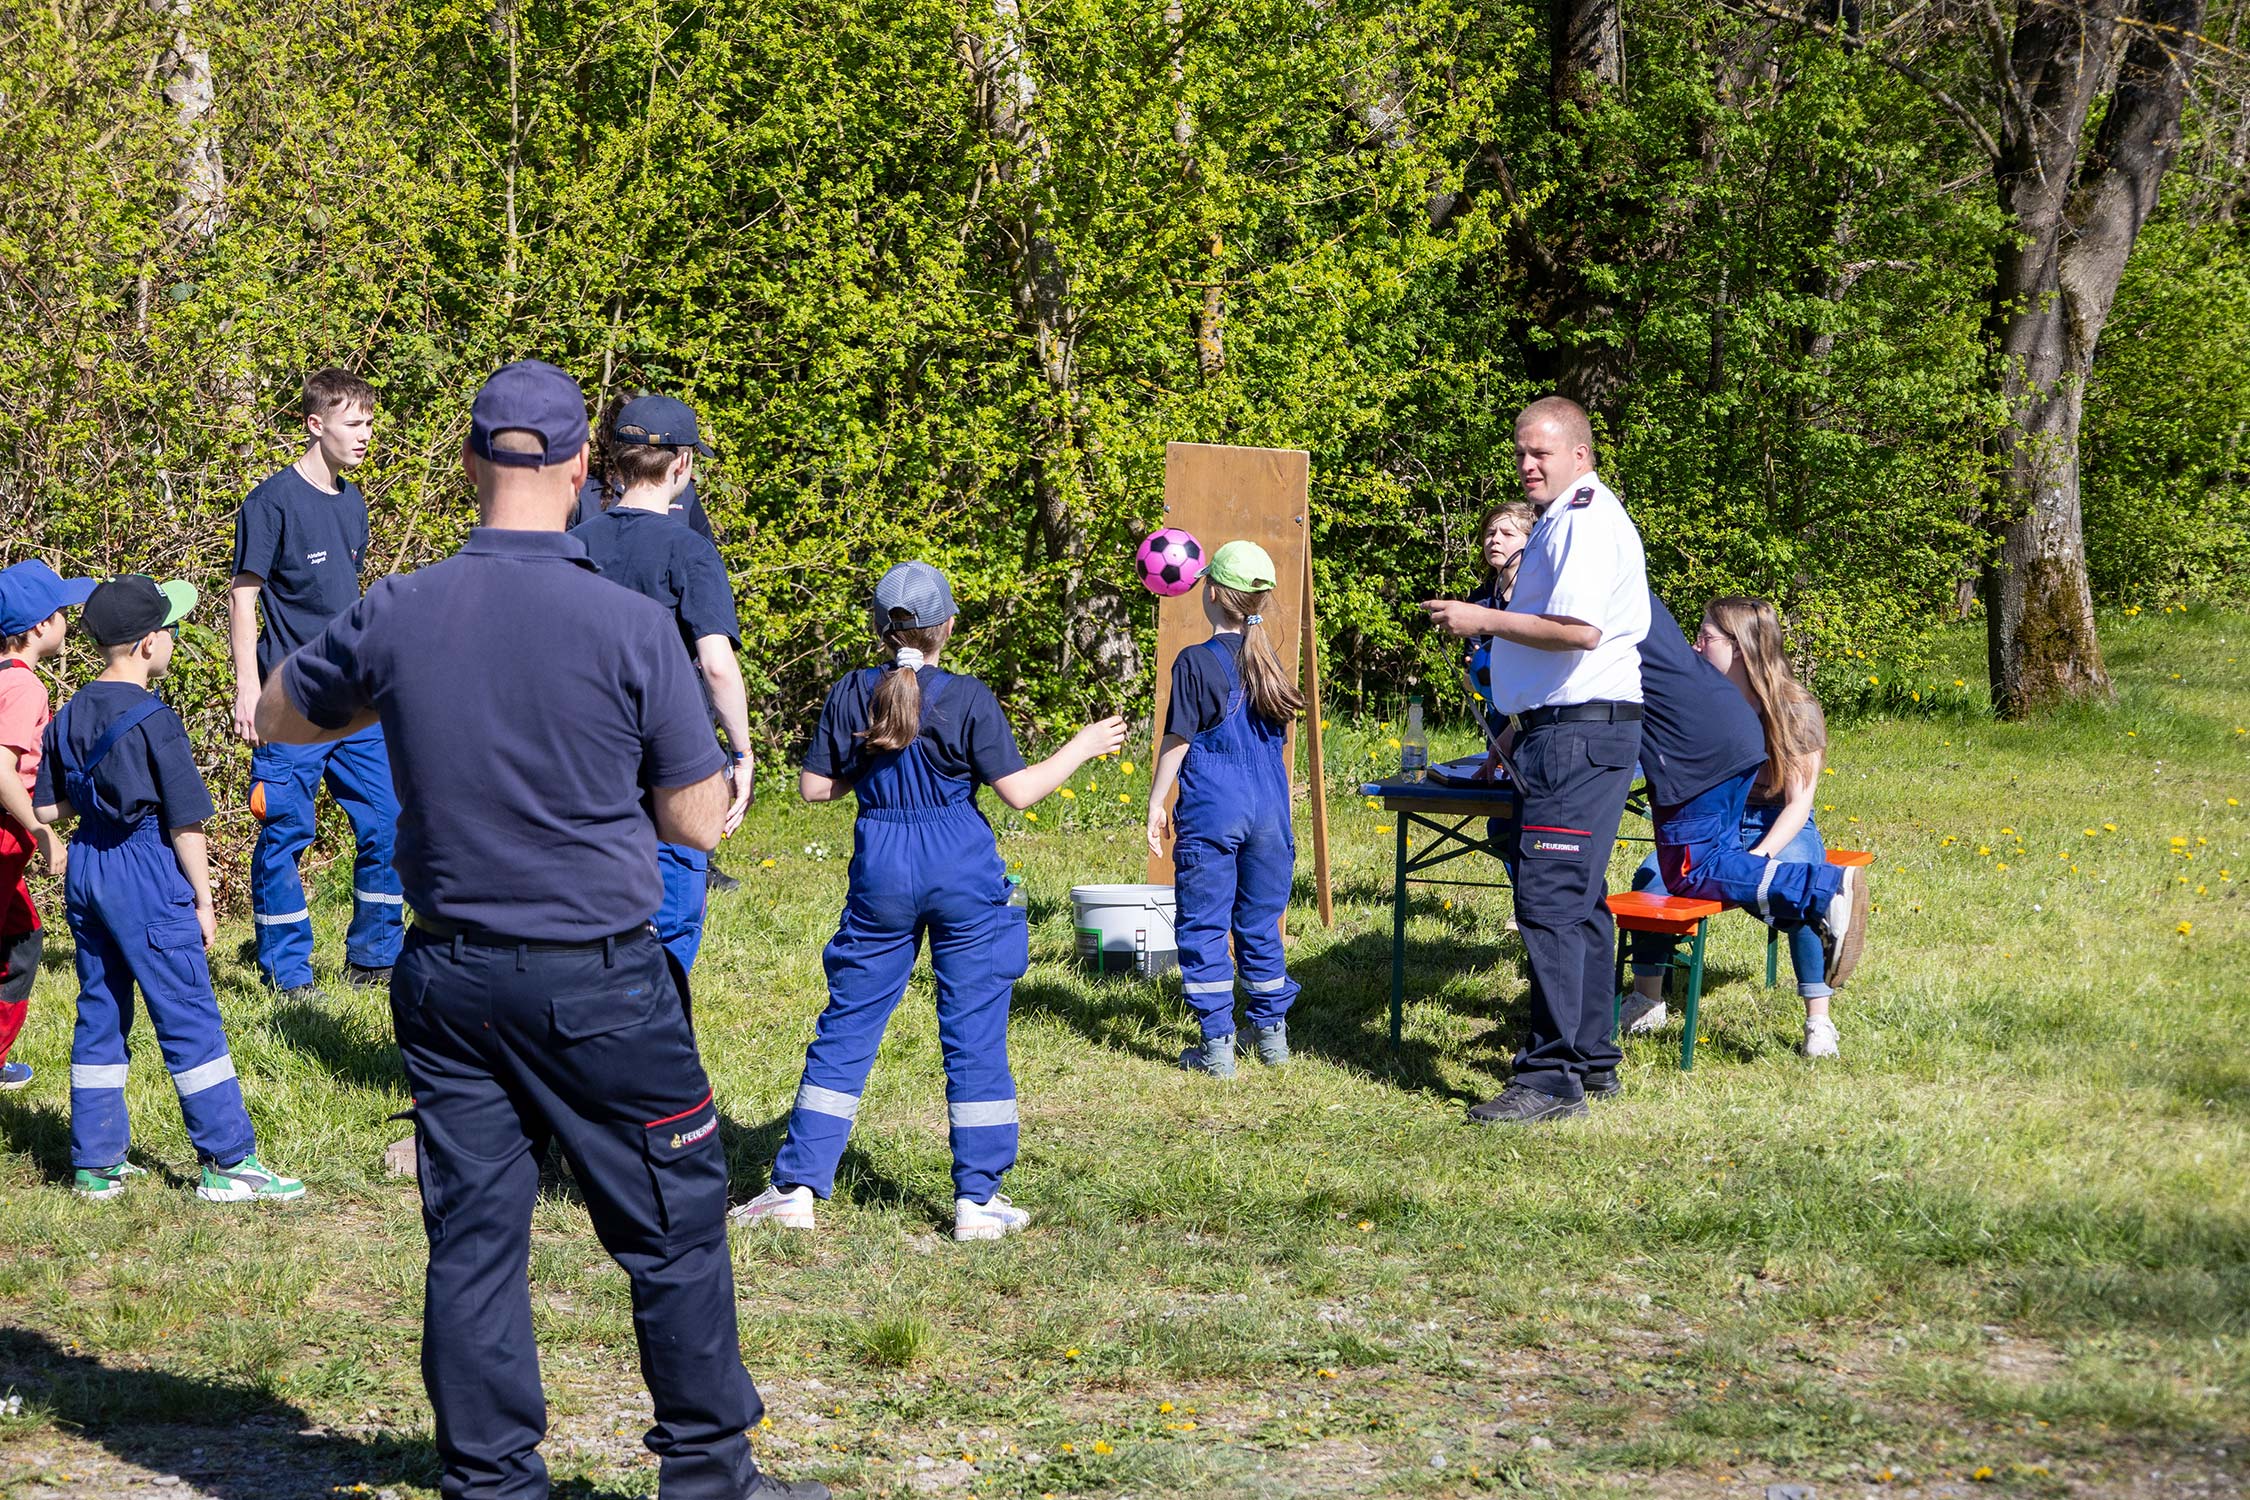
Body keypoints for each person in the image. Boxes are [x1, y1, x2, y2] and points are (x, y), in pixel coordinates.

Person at [255, 359, 821, 1500]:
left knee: (473, 1242)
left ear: (470, 462)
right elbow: (695, 822)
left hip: (448, 979)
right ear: (579, 471)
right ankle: (710, 1480)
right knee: (673, 1230)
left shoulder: (400, 609)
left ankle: (493, 1485)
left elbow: (275, 714)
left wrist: (403, 694)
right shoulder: (631, 625)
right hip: (601, 982)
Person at [735, 562, 1125, 1241]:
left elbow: (815, 789)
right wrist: (1082, 746)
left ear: (879, 629)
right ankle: (978, 1201)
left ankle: (795, 1189)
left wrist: (872, 772)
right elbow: (1019, 793)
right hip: (961, 869)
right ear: (947, 628)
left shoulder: (851, 692)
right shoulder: (968, 697)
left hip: (881, 869)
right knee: (973, 1031)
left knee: (848, 1023)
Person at [36, 576, 304, 1203]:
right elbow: (185, 824)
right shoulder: (157, 721)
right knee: (187, 1012)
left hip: (87, 866)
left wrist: (97, 800)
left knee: (100, 1010)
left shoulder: (68, 713)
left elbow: (47, 809)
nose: (175, 638)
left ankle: (96, 1163)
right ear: (147, 642)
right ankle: (228, 1162)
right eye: (171, 629)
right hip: (145, 869)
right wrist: (204, 899)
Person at [1422, 396, 1649, 1124]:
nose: (1526, 464)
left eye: (1541, 452)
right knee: (1577, 902)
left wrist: (1479, 618)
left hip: (1578, 735)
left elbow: (1578, 631)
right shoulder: (1564, 517)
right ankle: (1592, 1060)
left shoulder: (1583, 518)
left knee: (1550, 901)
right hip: (1569, 731)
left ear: (1580, 454)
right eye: (1521, 452)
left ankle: (1551, 1079)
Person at [1623, 597, 1866, 1056]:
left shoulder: (1794, 708)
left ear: (1739, 647)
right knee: (1652, 876)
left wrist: (1757, 860)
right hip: (1719, 822)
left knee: (1794, 884)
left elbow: (1799, 804)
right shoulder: (1702, 702)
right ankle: (1647, 1000)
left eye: (1706, 637)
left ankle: (1818, 1020)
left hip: (1779, 824)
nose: (1695, 646)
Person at [229, 367, 402, 998]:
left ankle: (376, 957)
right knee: (285, 829)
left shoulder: (352, 500)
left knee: (388, 820)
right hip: (289, 702)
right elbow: (243, 597)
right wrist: (248, 689)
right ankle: (287, 973)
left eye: (369, 423)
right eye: (353, 423)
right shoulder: (270, 502)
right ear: (315, 424)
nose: (365, 435)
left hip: (354, 701)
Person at [570, 394, 754, 972]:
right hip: (672, 746)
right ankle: (657, 1011)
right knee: (672, 907)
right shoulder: (690, 550)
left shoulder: (576, 543)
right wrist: (742, 753)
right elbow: (717, 665)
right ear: (683, 463)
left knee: (594, 898)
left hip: (587, 746)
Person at [1144, 540, 1304, 1079]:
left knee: (1205, 926)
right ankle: (1272, 1038)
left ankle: (1217, 1047)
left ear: (1210, 591)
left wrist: (1157, 801)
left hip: (1215, 809)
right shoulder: (1270, 662)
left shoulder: (1195, 661)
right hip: (1271, 814)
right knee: (1260, 923)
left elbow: (1178, 739)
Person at [0, 561, 96, 1090]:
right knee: (17, 940)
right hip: (5, 834)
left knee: (22, 935)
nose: (67, 621)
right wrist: (42, 832)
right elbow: (2, 770)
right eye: (61, 612)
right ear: (39, 626)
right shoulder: (25, 687)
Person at [573, 392, 715, 538]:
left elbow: (704, 541)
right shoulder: (582, 494)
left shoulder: (682, 489)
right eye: (633, 436)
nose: (642, 447)